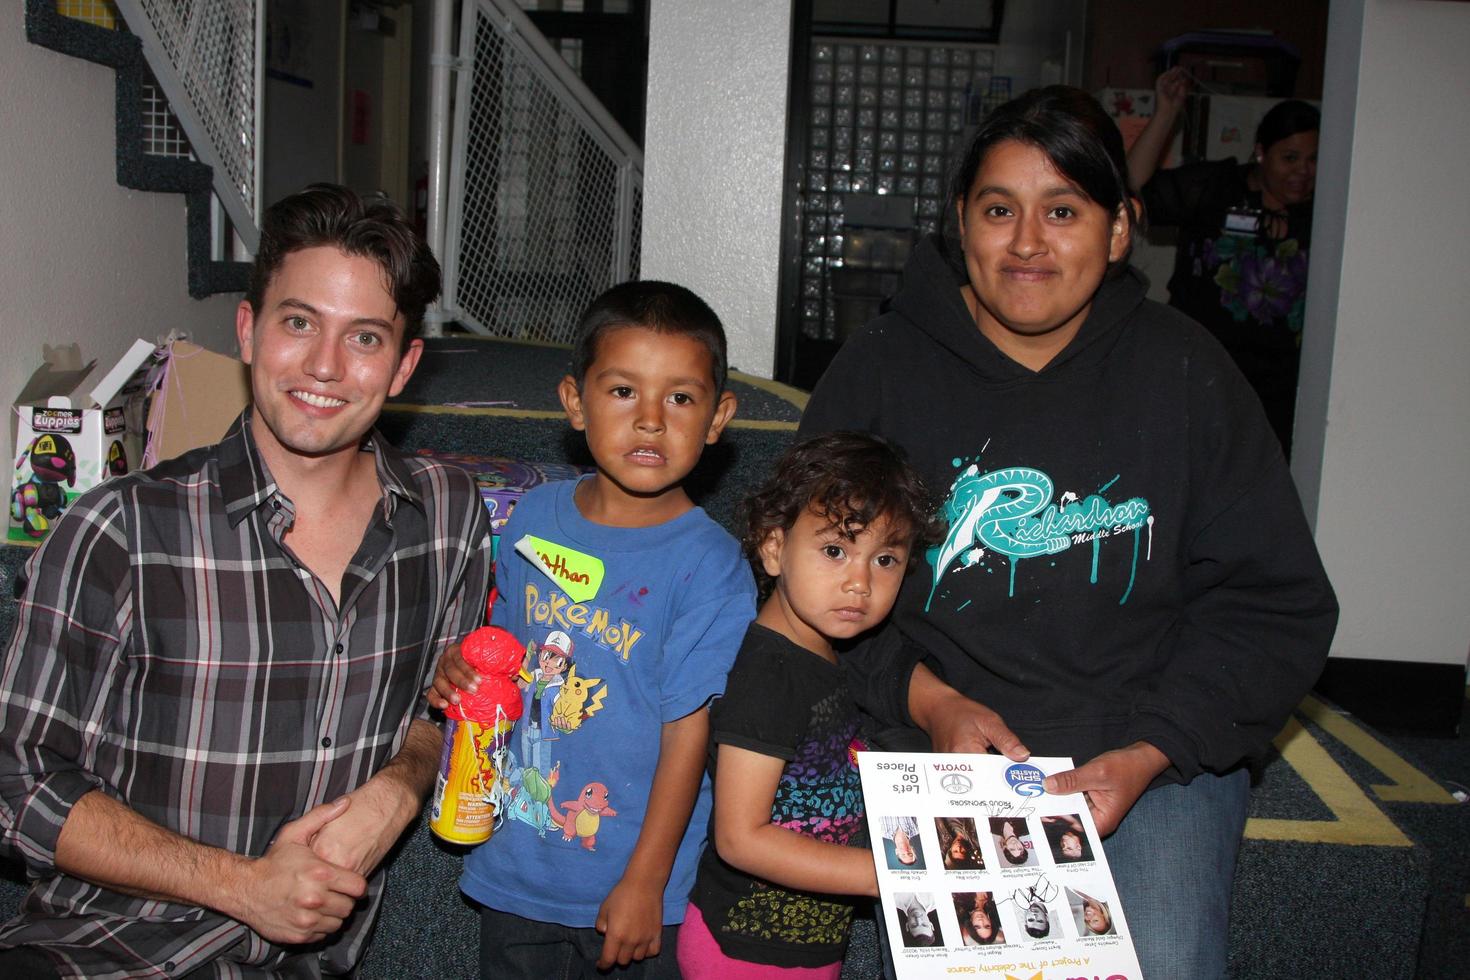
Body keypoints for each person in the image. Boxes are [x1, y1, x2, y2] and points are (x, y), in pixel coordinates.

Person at [799, 85, 1338, 979]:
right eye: (999, 209)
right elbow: (806, 589)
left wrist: (1151, 749)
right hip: (936, 745)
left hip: (1155, 753)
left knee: (1162, 963)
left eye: (1064, 211)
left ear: (1120, 229)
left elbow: (1271, 603)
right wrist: (928, 700)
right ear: (960, 222)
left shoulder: (1189, 372)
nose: (1028, 244)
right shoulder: (881, 370)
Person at [0, 184, 493, 977]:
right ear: (247, 331)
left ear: (403, 366)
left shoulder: (448, 516)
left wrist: (401, 785)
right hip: (100, 953)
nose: (324, 367)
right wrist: (242, 886)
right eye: (299, 323)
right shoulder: (120, 529)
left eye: (364, 338)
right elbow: (16, 783)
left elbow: (445, 704)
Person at [429, 281, 756, 978]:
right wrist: (460, 669)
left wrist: (647, 881)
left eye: (680, 398)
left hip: (637, 887)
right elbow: (507, 659)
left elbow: (689, 732)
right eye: (622, 392)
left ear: (718, 416)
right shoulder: (532, 518)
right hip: (517, 865)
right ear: (575, 402)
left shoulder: (713, 566)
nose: (649, 421)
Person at [677, 432, 940, 978]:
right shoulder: (771, 673)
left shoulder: (822, 655)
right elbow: (740, 837)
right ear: (774, 549)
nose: (859, 582)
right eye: (835, 550)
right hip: (745, 951)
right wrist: (886, 875)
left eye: (886, 558)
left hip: (806, 942)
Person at [1126, 66, 1321, 456]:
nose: (1303, 171)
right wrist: (1166, 111)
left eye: (1314, 159)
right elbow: (1132, 186)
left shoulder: (1328, 212)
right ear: (1262, 153)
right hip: (1199, 376)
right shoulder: (1217, 187)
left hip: (1284, 391)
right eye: (1290, 157)